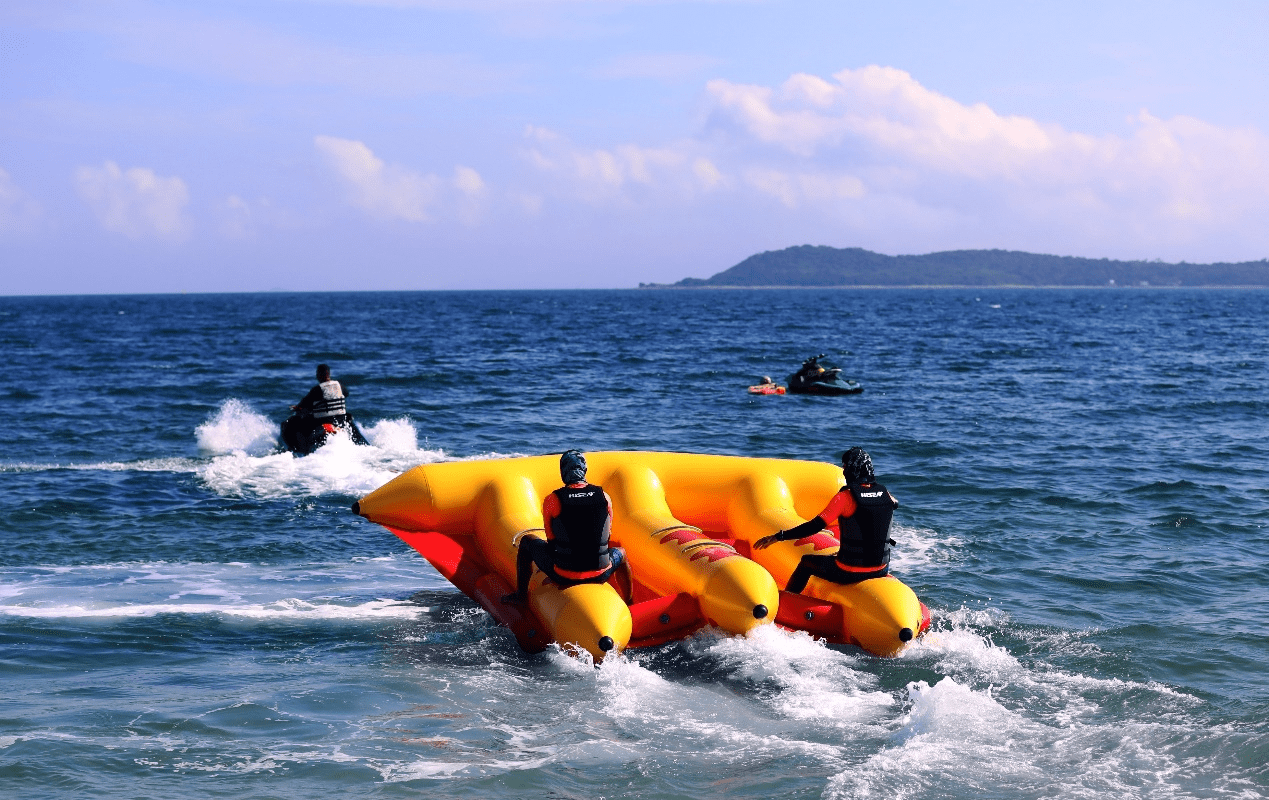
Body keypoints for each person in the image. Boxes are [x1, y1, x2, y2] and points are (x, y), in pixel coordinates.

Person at [754, 447, 898, 592]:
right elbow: (894, 504)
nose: (844, 470)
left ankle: (788, 601)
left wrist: (779, 536)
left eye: (845, 466)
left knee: (806, 562)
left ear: (852, 469)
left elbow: (814, 526)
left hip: (849, 571)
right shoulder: (885, 493)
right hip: (881, 569)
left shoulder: (845, 497)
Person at [502, 450, 633, 604]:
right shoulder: (604, 496)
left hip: (564, 575)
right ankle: (629, 601)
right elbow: (607, 534)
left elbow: (551, 541)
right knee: (622, 553)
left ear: (563, 472)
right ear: (584, 469)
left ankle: (521, 596)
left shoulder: (553, 499)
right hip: (601, 574)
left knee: (526, 541)